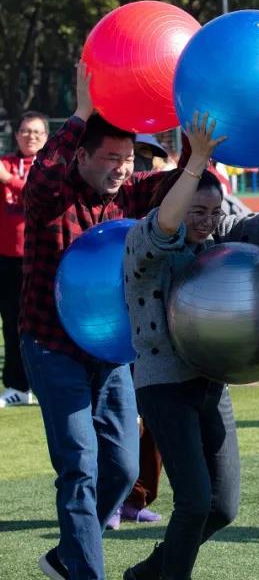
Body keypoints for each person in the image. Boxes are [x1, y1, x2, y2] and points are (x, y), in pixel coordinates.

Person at [20, 63, 182, 580]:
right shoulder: (54, 195)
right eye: (110, 158)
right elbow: (43, 176)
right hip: (51, 345)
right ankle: (86, 571)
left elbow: (179, 186)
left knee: (124, 468)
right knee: (79, 464)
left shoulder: (129, 196)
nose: (121, 168)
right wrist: (81, 113)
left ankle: (66, 556)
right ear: (82, 156)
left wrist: (200, 151)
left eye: (127, 159)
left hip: (109, 353)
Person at [121, 112, 259, 580]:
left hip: (210, 384)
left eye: (214, 212)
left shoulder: (212, 245)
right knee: (192, 501)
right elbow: (164, 226)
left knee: (222, 506)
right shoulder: (144, 245)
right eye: (198, 211)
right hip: (164, 385)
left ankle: (146, 574)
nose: (208, 222)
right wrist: (196, 163)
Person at [0, 111, 47, 408]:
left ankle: (44, 384)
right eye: (26, 131)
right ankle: (17, 386)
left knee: (41, 326)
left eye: (37, 132)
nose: (31, 136)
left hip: (39, 259)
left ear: (46, 138)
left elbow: (35, 194)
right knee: (10, 323)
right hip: (5, 259)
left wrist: (8, 180)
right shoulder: (5, 162)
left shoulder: (50, 166)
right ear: (16, 135)